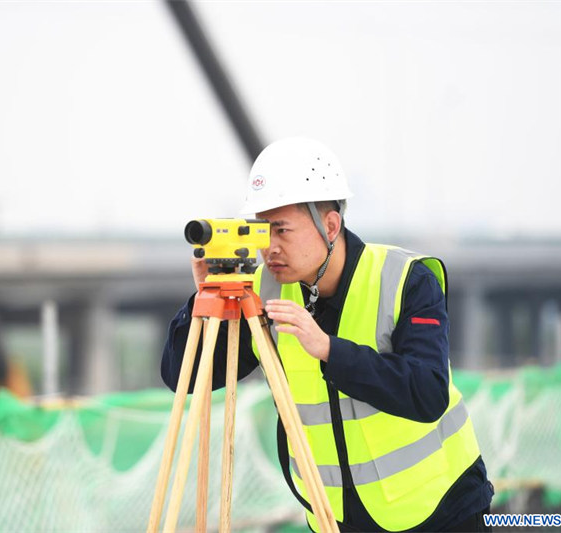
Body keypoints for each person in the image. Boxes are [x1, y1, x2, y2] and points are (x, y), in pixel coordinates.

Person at [161, 137, 494, 532]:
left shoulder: (405, 279)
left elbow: (427, 393)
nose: (270, 248)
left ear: (330, 225)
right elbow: (185, 377)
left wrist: (330, 351)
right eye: (262, 231)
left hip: (441, 511)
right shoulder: (263, 292)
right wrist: (204, 300)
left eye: (282, 230)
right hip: (334, 519)